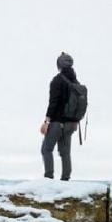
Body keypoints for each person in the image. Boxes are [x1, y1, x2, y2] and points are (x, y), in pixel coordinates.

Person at [40, 52, 79, 180]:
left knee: (46, 149)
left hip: (57, 123)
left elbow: (53, 103)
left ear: (59, 65)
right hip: (71, 124)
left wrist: (46, 121)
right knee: (65, 153)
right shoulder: (76, 82)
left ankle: (48, 179)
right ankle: (65, 180)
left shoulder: (57, 80)